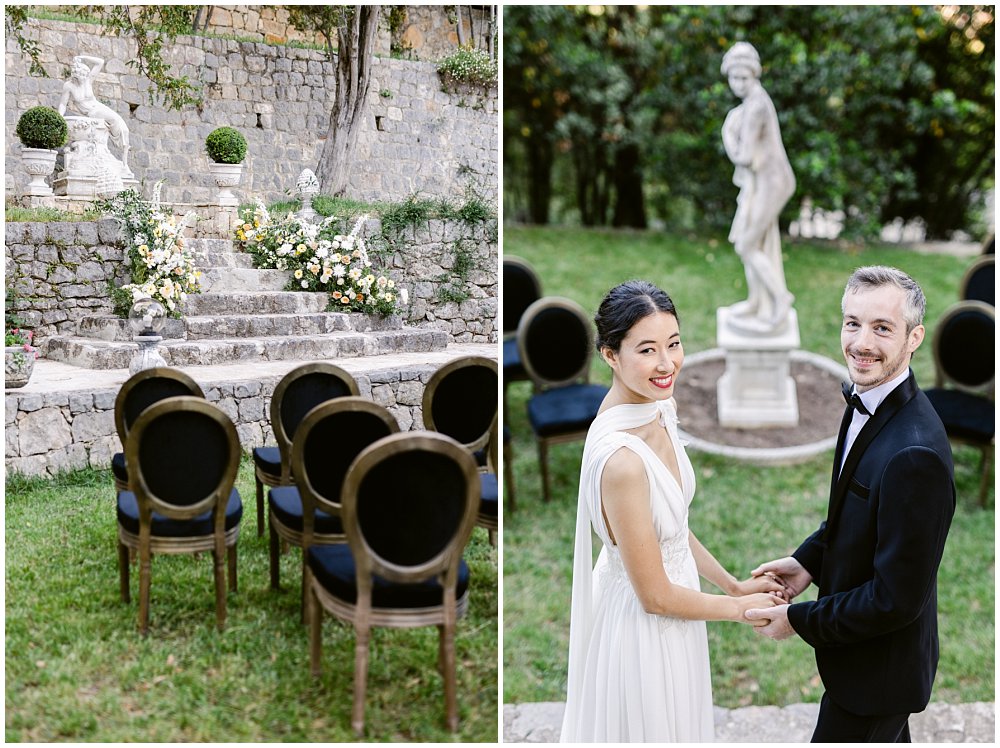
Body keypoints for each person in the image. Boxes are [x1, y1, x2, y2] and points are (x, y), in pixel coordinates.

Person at [560, 280, 785, 742]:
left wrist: (733, 583)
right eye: (647, 350)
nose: (667, 365)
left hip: (683, 615)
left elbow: (672, 528)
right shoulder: (621, 463)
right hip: (643, 634)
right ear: (610, 355)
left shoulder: (658, 406)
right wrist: (741, 608)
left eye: (674, 343)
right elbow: (655, 597)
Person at [746, 266, 956, 742]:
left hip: (878, 677)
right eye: (852, 322)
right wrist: (807, 561)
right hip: (861, 668)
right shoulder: (868, 398)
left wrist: (798, 620)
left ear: (914, 337)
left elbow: (894, 600)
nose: (861, 342)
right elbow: (855, 514)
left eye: (882, 328)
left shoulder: (915, 455)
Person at [720, 42, 796, 333]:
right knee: (754, 243)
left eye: (744, 78)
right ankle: (756, 301)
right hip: (760, 184)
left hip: (771, 185)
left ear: (754, 75)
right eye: (733, 77)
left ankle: (780, 299)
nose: (738, 83)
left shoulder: (755, 106)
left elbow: (745, 156)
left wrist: (727, 132)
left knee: (747, 244)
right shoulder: (751, 102)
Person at [58, 55, 131, 173]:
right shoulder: (69, 86)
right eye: (81, 74)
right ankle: (124, 163)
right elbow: (62, 104)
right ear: (75, 74)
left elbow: (100, 62)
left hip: (97, 108)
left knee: (120, 124)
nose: (83, 77)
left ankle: (125, 162)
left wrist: (82, 57)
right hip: (90, 112)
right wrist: (59, 118)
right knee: (115, 120)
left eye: (85, 74)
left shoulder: (88, 80)